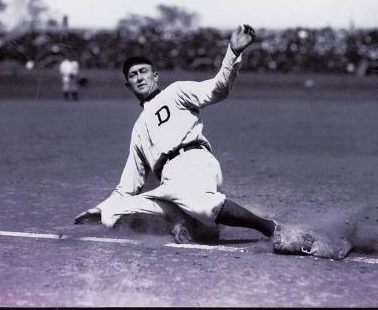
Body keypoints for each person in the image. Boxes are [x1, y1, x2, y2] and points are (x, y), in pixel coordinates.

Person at [75, 24, 352, 260]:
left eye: (143, 71)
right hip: (171, 184)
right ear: (129, 86)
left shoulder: (176, 92)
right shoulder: (138, 131)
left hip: (193, 162)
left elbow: (217, 88)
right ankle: (189, 225)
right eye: (133, 75)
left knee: (201, 205)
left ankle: (273, 229)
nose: (139, 77)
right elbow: (127, 185)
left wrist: (233, 52)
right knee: (114, 213)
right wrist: (100, 208)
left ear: (155, 75)